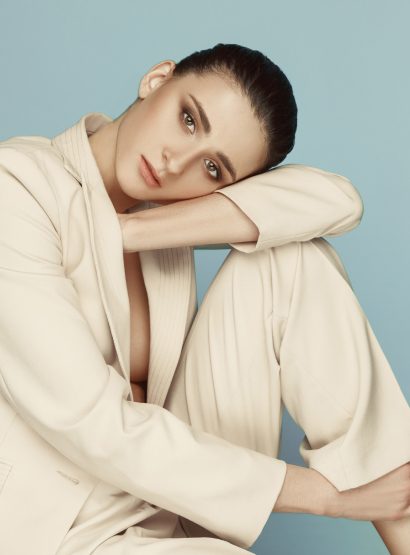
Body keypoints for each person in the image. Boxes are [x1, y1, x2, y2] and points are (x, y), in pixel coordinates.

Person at [0, 43, 408, 555]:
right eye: (188, 119)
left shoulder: (157, 221)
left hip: (165, 504)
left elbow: (337, 201)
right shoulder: (19, 185)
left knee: (290, 255)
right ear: (157, 80)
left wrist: (130, 231)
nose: (176, 162)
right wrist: (331, 497)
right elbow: (89, 421)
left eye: (213, 169)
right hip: (63, 529)